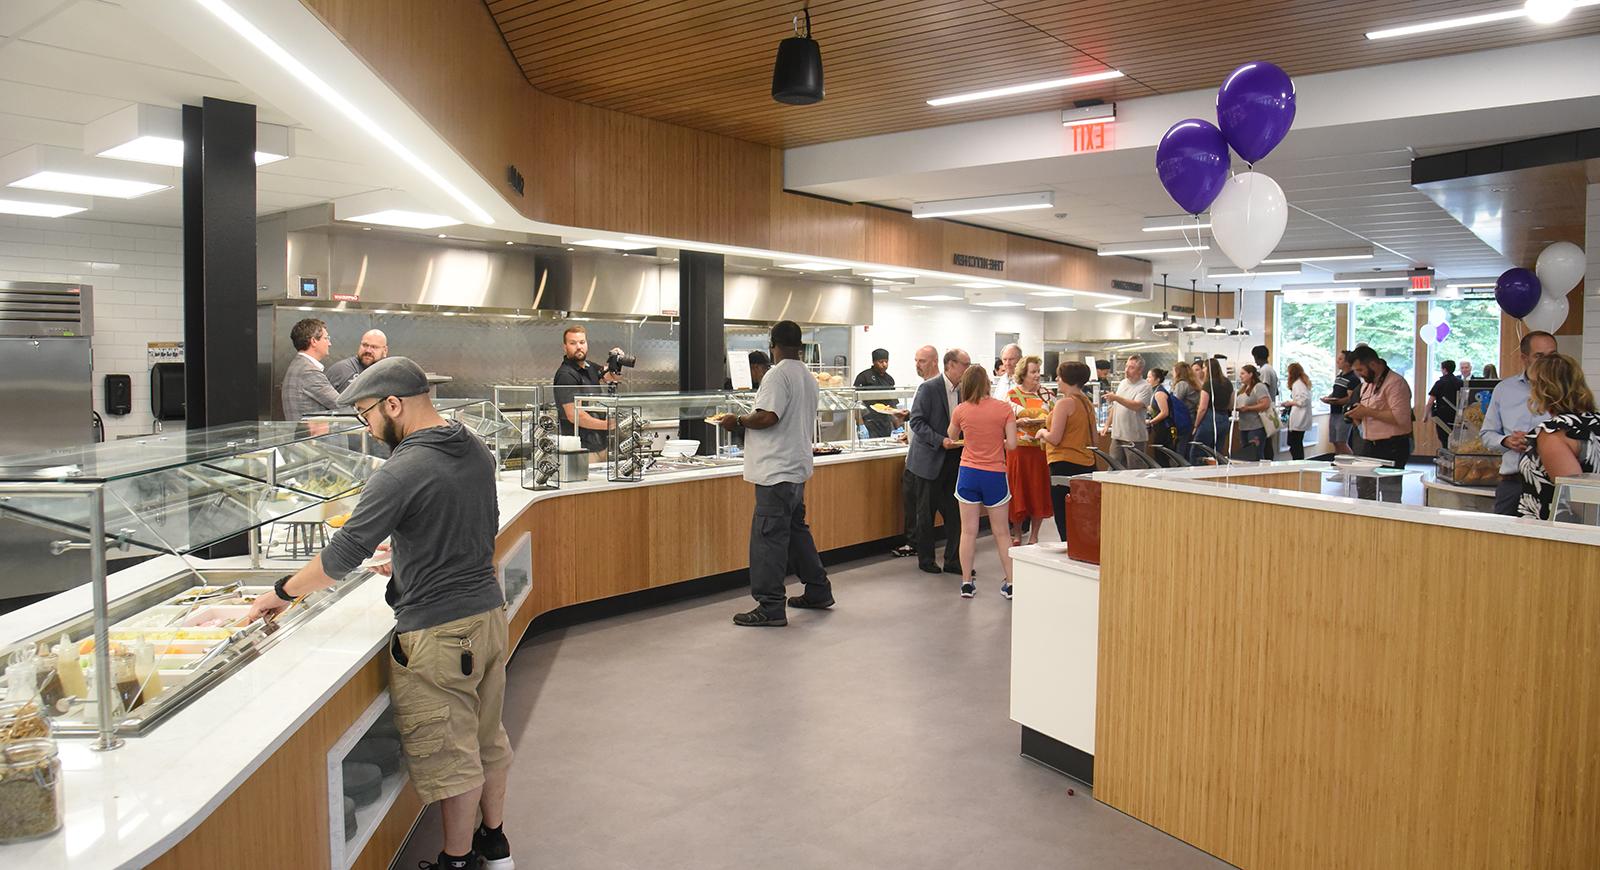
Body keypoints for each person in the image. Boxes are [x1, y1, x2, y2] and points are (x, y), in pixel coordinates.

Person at [245, 357, 514, 870]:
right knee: (488, 739)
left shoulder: (401, 470)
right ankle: (495, 845)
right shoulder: (474, 447)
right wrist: (413, 553)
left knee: (452, 757)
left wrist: (280, 592)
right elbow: (477, 523)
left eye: (367, 413)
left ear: (394, 404)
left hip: (438, 633)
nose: (366, 427)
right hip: (487, 616)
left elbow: (341, 556)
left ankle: (455, 862)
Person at [718, 320, 832, 627]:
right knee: (796, 532)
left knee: (767, 538)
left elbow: (768, 416)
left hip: (775, 471)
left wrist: (738, 421)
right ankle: (819, 589)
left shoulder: (777, 374)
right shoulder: (807, 376)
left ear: (773, 344)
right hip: (796, 467)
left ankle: (770, 606)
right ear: (800, 345)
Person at [948, 365, 1018, 599]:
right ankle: (1011, 583)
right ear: (988, 383)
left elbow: (952, 435)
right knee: (1001, 532)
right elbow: (1012, 445)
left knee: (967, 532)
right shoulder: (1004, 409)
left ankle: (967, 582)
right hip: (994, 474)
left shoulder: (960, 410)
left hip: (968, 472)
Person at [905, 349, 970, 575]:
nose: (967, 369)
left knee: (955, 514)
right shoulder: (929, 388)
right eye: (965, 364)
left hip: (954, 460)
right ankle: (926, 560)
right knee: (926, 514)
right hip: (929, 460)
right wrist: (940, 440)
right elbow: (917, 422)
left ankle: (954, 560)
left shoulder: (965, 390)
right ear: (950, 365)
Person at [1482, 331, 1558, 515]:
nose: (1547, 362)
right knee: (1504, 541)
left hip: (1553, 484)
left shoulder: (1567, 392)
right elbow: (1487, 435)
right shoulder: (1504, 389)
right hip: (1513, 483)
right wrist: (1507, 441)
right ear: (1524, 358)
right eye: (1539, 356)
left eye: (1552, 356)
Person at [1516, 354, 1600, 520]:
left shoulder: (1552, 433)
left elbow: (1576, 499)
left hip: (1561, 535)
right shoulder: (1595, 421)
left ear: (1543, 389)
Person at [891, 345, 941, 559]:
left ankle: (916, 544)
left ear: (934, 361)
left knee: (919, 503)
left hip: (924, 457)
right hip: (917, 451)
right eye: (916, 360)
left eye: (921, 361)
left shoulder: (930, 386)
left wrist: (914, 422)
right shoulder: (927, 386)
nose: (917, 365)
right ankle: (917, 543)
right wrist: (909, 424)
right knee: (914, 501)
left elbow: (928, 422)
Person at [1346, 346, 1414, 501]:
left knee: (1390, 495)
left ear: (1374, 364)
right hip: (1369, 445)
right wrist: (1357, 415)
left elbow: (1401, 418)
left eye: (1361, 370)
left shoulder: (1395, 383)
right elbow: (1366, 410)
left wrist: (1367, 412)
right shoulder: (1366, 384)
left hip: (1392, 447)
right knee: (1365, 493)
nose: (1359, 374)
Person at [1042, 361, 1096, 544]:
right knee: (1082, 517)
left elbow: (1055, 438)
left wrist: (1042, 432)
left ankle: (1069, 553)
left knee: (1064, 517)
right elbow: (1094, 439)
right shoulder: (1086, 403)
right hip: (1087, 462)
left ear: (1065, 379)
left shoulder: (1064, 404)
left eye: (1059, 376)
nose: (1057, 380)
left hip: (1064, 464)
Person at [551, 324, 622, 454]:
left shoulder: (589, 367)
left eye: (582, 342)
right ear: (565, 347)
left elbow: (612, 378)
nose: (579, 346)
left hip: (599, 444)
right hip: (580, 448)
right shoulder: (566, 375)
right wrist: (608, 425)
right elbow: (574, 415)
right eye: (573, 343)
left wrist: (616, 362)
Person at [1005, 355, 1053, 546]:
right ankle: (1017, 534)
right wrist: (1018, 422)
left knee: (1037, 490)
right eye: (1033, 372)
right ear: (1022, 374)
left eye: (1038, 372)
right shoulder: (1012, 395)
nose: (1036, 376)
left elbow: (1055, 418)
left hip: (1039, 449)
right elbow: (1005, 420)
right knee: (1018, 490)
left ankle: (1034, 535)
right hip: (1018, 450)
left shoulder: (1047, 394)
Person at [281, 317, 345, 421]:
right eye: (326, 338)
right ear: (314, 341)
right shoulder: (309, 372)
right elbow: (341, 405)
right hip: (313, 436)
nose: (329, 343)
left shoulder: (298, 365)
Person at [1102, 354, 1152, 468]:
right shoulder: (1123, 383)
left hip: (1134, 436)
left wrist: (1116, 397)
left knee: (1134, 469)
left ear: (1140, 370)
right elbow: (1115, 406)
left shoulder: (1145, 387)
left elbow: (1136, 406)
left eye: (1131, 367)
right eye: (1126, 366)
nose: (1126, 370)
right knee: (1113, 467)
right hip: (1117, 434)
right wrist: (1107, 425)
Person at [1192, 357, 1234, 463]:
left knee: (1197, 452)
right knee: (1217, 453)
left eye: (1204, 367)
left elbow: (1203, 408)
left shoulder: (1208, 384)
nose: (1203, 370)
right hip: (1224, 418)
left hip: (1210, 418)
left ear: (1208, 369)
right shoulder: (1228, 383)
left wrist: (1196, 425)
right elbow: (1231, 404)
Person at [1322, 349, 1361, 455]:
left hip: (1343, 414)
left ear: (1347, 362)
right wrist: (1329, 398)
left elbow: (1350, 398)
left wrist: (1338, 401)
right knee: (1335, 442)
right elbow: (1336, 392)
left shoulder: (1352, 378)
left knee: (1342, 441)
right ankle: (1340, 464)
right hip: (1334, 412)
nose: (1337, 361)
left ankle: (1351, 463)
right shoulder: (1339, 376)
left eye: (1340, 359)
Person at [326, 328, 389, 393]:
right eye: (365, 345)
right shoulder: (341, 370)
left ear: (385, 350)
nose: (368, 350)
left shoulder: (390, 374)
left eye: (374, 347)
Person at [854, 348, 896, 438]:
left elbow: (892, 405)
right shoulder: (864, 377)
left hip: (885, 424)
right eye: (881, 362)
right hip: (868, 423)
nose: (884, 365)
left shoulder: (889, 380)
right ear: (874, 362)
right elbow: (856, 404)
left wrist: (898, 427)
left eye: (886, 361)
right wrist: (860, 425)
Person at [1236, 364, 1274, 460]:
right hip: (1244, 426)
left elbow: (1265, 404)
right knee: (1246, 453)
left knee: (1255, 453)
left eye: (1243, 373)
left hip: (1256, 426)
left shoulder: (1259, 387)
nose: (1240, 376)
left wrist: (1248, 408)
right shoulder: (1243, 388)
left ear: (1250, 374)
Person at [1425, 360, 1463, 448]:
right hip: (1457, 415)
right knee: (1457, 439)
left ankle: (1446, 455)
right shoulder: (1460, 382)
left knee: (1444, 437)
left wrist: (1425, 416)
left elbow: (1430, 402)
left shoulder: (1440, 383)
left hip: (1442, 415)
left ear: (1444, 369)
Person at [1281, 362, 1314, 460]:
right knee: (1296, 443)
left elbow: (1302, 401)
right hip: (1301, 418)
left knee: (1295, 444)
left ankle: (1297, 463)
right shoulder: (1302, 383)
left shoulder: (1297, 384)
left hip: (1299, 418)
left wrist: (1290, 403)